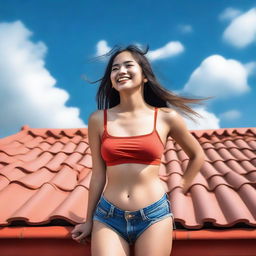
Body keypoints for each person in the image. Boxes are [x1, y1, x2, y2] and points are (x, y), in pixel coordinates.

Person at [71, 45, 208, 255]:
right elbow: (98, 174)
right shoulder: (98, 120)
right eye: (114, 69)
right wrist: (88, 220)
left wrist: (181, 186)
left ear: (144, 76)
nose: (121, 71)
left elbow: (197, 155)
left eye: (128, 65)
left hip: (154, 215)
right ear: (111, 80)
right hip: (108, 216)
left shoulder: (165, 117)